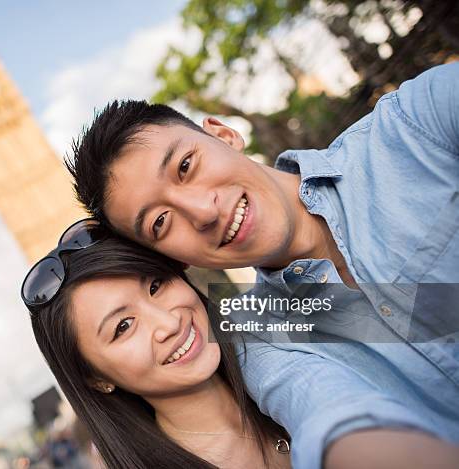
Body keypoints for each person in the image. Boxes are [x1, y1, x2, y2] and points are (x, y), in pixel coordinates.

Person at [66, 63, 459, 468]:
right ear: (174, 259)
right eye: (161, 223)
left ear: (224, 134)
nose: (202, 211)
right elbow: (331, 419)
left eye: (186, 166)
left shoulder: (417, 125)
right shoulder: (262, 339)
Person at [22, 219, 291, 469]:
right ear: (94, 377)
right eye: (123, 326)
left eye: (155, 286)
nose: (169, 323)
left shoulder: (272, 319)